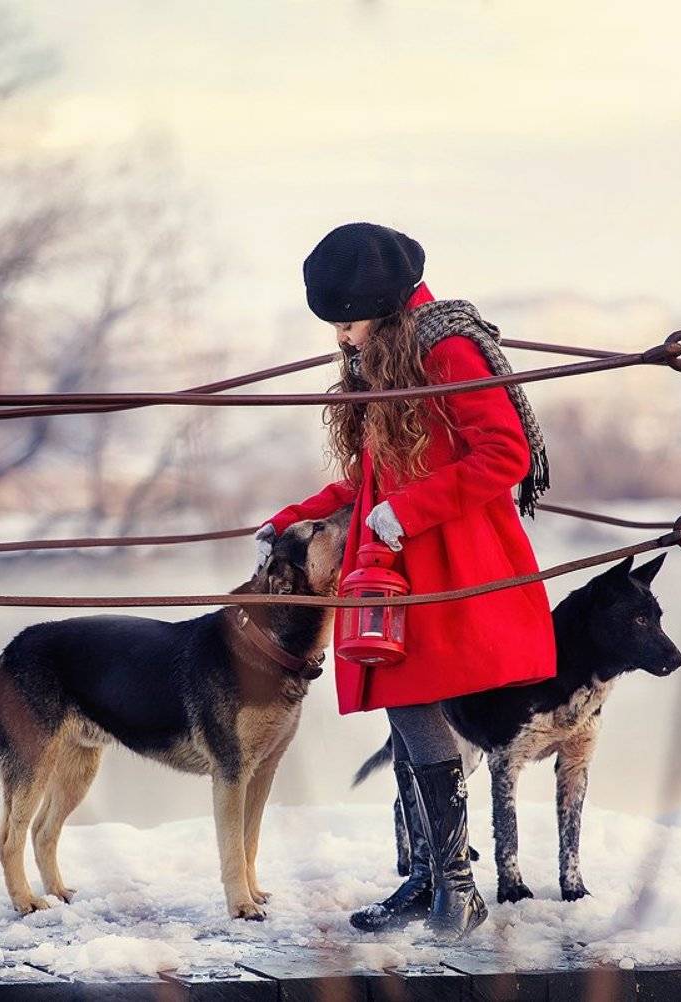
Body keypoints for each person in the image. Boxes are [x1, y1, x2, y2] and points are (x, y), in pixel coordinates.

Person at [256, 221, 558, 939]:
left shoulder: (447, 348)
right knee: (406, 711)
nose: (343, 339)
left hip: (451, 556)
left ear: (384, 307)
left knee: (419, 710)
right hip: (397, 558)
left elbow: (505, 454)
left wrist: (408, 512)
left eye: (350, 322)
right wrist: (299, 516)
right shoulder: (392, 357)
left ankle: (455, 887)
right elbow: (376, 476)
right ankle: (432, 882)